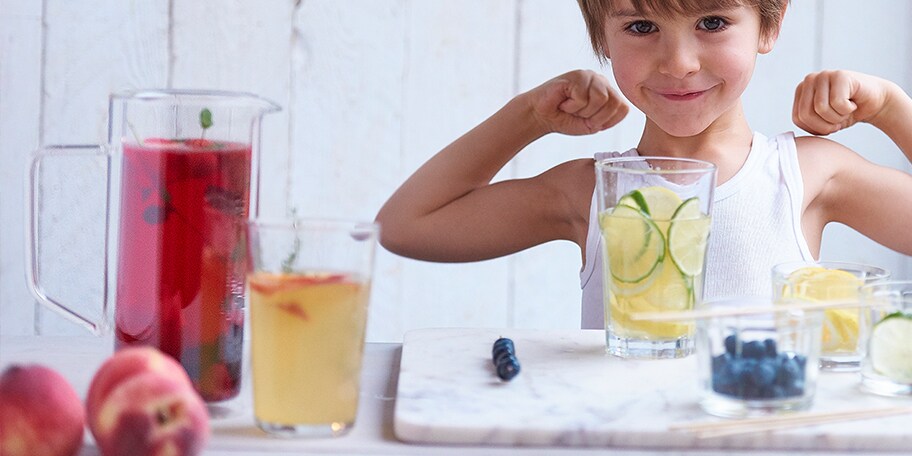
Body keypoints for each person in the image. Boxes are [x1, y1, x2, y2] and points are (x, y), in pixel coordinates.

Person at [375, 0, 912, 329]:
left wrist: (892, 108)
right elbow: (405, 227)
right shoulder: (592, 191)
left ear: (769, 25)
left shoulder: (809, 175)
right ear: (602, 38)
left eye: (713, 20)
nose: (678, 63)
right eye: (640, 28)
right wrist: (529, 116)